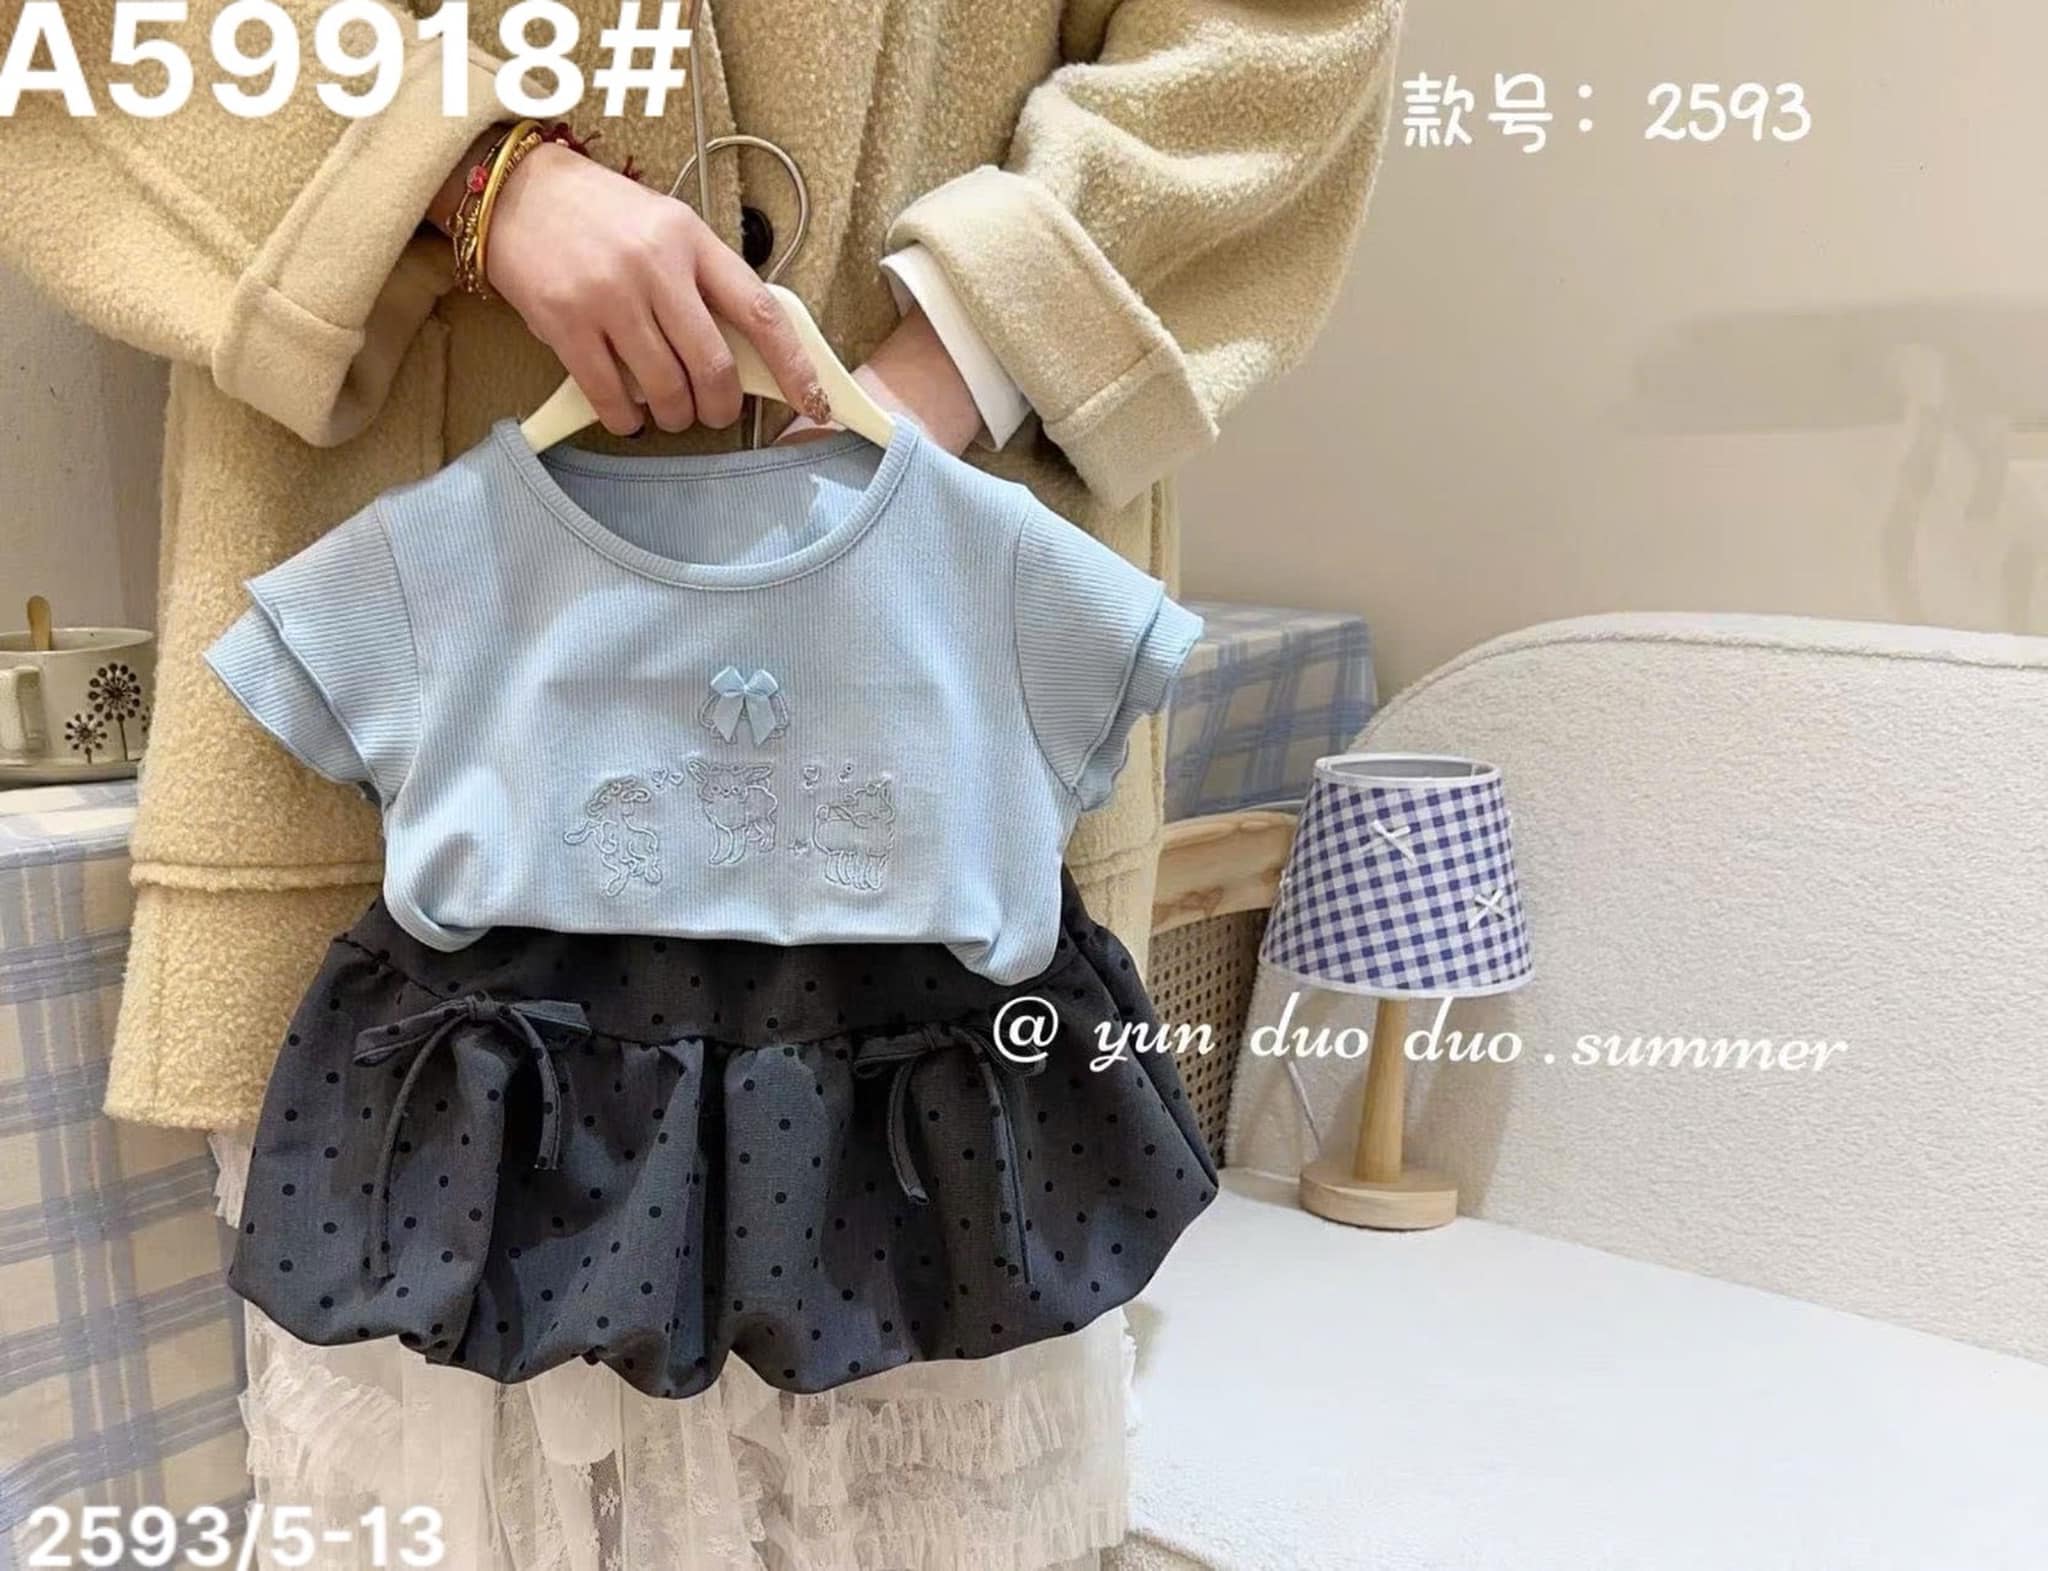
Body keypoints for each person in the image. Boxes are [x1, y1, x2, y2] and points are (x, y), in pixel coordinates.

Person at [1, 1, 1403, 1564]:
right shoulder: (416, 583)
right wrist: (437, 164)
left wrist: (993, 326)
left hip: (952, 623)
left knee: (923, 1482)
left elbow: (1275, 36)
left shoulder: (1002, 588)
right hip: (422, 530)